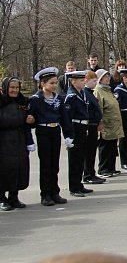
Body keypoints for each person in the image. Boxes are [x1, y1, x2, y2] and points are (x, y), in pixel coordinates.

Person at [28, 67, 74, 206]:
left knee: (55, 164)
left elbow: (65, 119)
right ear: (43, 84)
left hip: (55, 131)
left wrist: (68, 135)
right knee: (46, 164)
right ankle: (45, 194)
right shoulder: (36, 100)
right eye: (51, 83)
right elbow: (30, 119)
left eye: (55, 83)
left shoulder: (58, 99)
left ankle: (55, 192)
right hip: (43, 132)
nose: (54, 86)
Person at [0, 77, 35, 211]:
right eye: (12, 87)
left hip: (20, 140)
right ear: (5, 88)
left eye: (17, 88)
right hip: (4, 140)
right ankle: (2, 198)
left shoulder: (23, 102)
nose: (14, 90)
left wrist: (31, 120)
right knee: (4, 170)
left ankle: (14, 196)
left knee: (19, 168)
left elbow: (30, 120)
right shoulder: (1, 102)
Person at [63, 70, 94, 197]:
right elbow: (67, 117)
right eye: (81, 80)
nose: (83, 82)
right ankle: (74, 186)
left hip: (83, 126)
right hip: (75, 127)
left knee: (81, 157)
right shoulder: (71, 96)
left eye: (83, 80)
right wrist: (69, 135)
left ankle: (79, 184)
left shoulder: (81, 94)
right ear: (73, 81)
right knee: (74, 158)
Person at [94, 69, 124, 178]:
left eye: (108, 76)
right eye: (105, 77)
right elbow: (99, 109)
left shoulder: (108, 90)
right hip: (106, 123)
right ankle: (103, 169)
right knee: (105, 147)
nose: (108, 78)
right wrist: (100, 122)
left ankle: (111, 168)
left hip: (114, 124)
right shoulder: (98, 91)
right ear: (100, 79)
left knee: (112, 146)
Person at [82, 71, 105, 185]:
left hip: (94, 124)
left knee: (92, 151)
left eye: (96, 80)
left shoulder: (90, 92)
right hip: (89, 125)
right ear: (86, 81)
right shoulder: (85, 93)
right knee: (89, 152)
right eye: (93, 81)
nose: (95, 83)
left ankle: (91, 173)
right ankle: (88, 175)